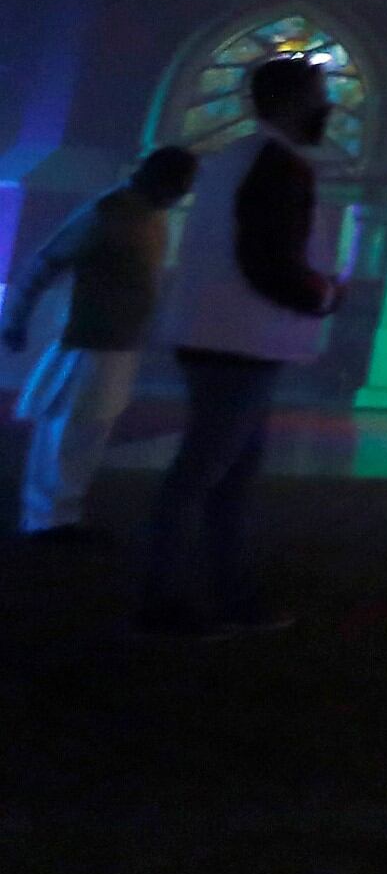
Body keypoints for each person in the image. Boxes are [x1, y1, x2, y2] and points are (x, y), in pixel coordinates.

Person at [141, 54, 345, 637]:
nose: (325, 106)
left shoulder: (235, 159)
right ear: (285, 103)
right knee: (204, 475)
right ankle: (166, 601)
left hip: (221, 334)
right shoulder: (278, 165)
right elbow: (266, 257)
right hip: (242, 339)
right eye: (317, 94)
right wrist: (322, 296)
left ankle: (225, 593)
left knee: (223, 474)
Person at [8, 146, 199, 538]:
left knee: (86, 432)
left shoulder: (144, 215)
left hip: (114, 344)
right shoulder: (110, 213)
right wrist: (15, 318)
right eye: (181, 185)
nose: (182, 193)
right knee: (70, 431)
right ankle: (47, 517)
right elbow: (47, 261)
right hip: (91, 341)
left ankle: (59, 514)